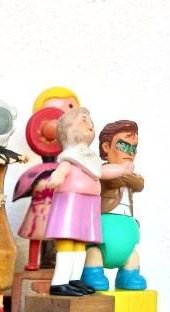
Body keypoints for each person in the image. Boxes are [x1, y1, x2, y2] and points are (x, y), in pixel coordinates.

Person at [44, 108, 133, 296]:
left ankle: (74, 280)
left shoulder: (91, 159)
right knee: (67, 242)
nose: (90, 124)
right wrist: (57, 177)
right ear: (67, 130)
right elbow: (62, 169)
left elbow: (102, 172)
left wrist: (121, 170)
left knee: (80, 244)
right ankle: (59, 282)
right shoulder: (70, 157)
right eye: (84, 120)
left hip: (89, 203)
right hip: (70, 201)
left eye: (90, 121)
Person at [81, 120, 146, 290]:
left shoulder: (132, 177)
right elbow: (112, 181)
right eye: (123, 146)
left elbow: (140, 184)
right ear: (106, 147)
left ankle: (129, 275)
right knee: (94, 252)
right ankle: (93, 272)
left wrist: (129, 176)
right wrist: (126, 174)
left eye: (133, 148)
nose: (129, 152)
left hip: (126, 226)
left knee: (132, 255)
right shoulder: (101, 171)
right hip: (104, 225)